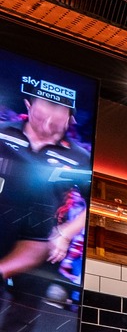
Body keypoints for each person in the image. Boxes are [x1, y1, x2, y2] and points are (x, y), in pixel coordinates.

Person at [0, 73, 90, 298]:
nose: (52, 114)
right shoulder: (2, 133)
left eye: (61, 108)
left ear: (71, 118)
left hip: (39, 246)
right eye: (48, 103)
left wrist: (66, 233)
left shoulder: (81, 158)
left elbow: (95, 206)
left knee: (22, 319)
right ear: (28, 104)